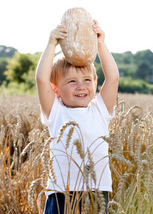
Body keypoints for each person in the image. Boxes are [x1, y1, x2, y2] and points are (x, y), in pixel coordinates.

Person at [35, 19, 119, 214]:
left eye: (87, 80)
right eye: (72, 81)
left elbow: (113, 77)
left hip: (97, 192)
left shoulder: (100, 110)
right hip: (61, 194)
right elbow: (41, 79)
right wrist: (51, 44)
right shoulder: (55, 112)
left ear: (96, 82)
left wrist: (100, 44)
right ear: (55, 89)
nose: (81, 86)